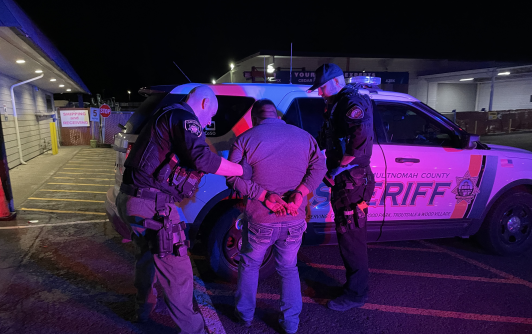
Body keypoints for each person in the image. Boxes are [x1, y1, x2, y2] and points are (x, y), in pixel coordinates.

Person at [116, 85, 252, 334]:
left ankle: (142, 309)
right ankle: (195, 330)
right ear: (202, 104)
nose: (210, 120)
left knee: (147, 256)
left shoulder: (165, 114)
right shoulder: (184, 117)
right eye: (211, 114)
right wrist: (241, 170)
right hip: (153, 206)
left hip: (131, 200)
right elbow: (202, 159)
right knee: (177, 272)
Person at [227, 99, 326, 334]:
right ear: (277, 115)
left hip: (261, 219)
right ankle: (291, 323)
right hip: (294, 218)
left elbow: (232, 177)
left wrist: (262, 195)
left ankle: (245, 316)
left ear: (254, 118)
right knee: (288, 268)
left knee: (250, 265)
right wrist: (301, 193)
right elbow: (320, 167)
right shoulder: (304, 136)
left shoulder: (246, 138)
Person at [309, 63, 375, 311]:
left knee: (352, 239)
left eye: (322, 87)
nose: (319, 92)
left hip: (352, 181)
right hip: (346, 180)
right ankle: (352, 287)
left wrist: (337, 170)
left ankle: (356, 294)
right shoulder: (338, 103)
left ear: (336, 81)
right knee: (347, 236)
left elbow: (359, 141)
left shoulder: (350, 102)